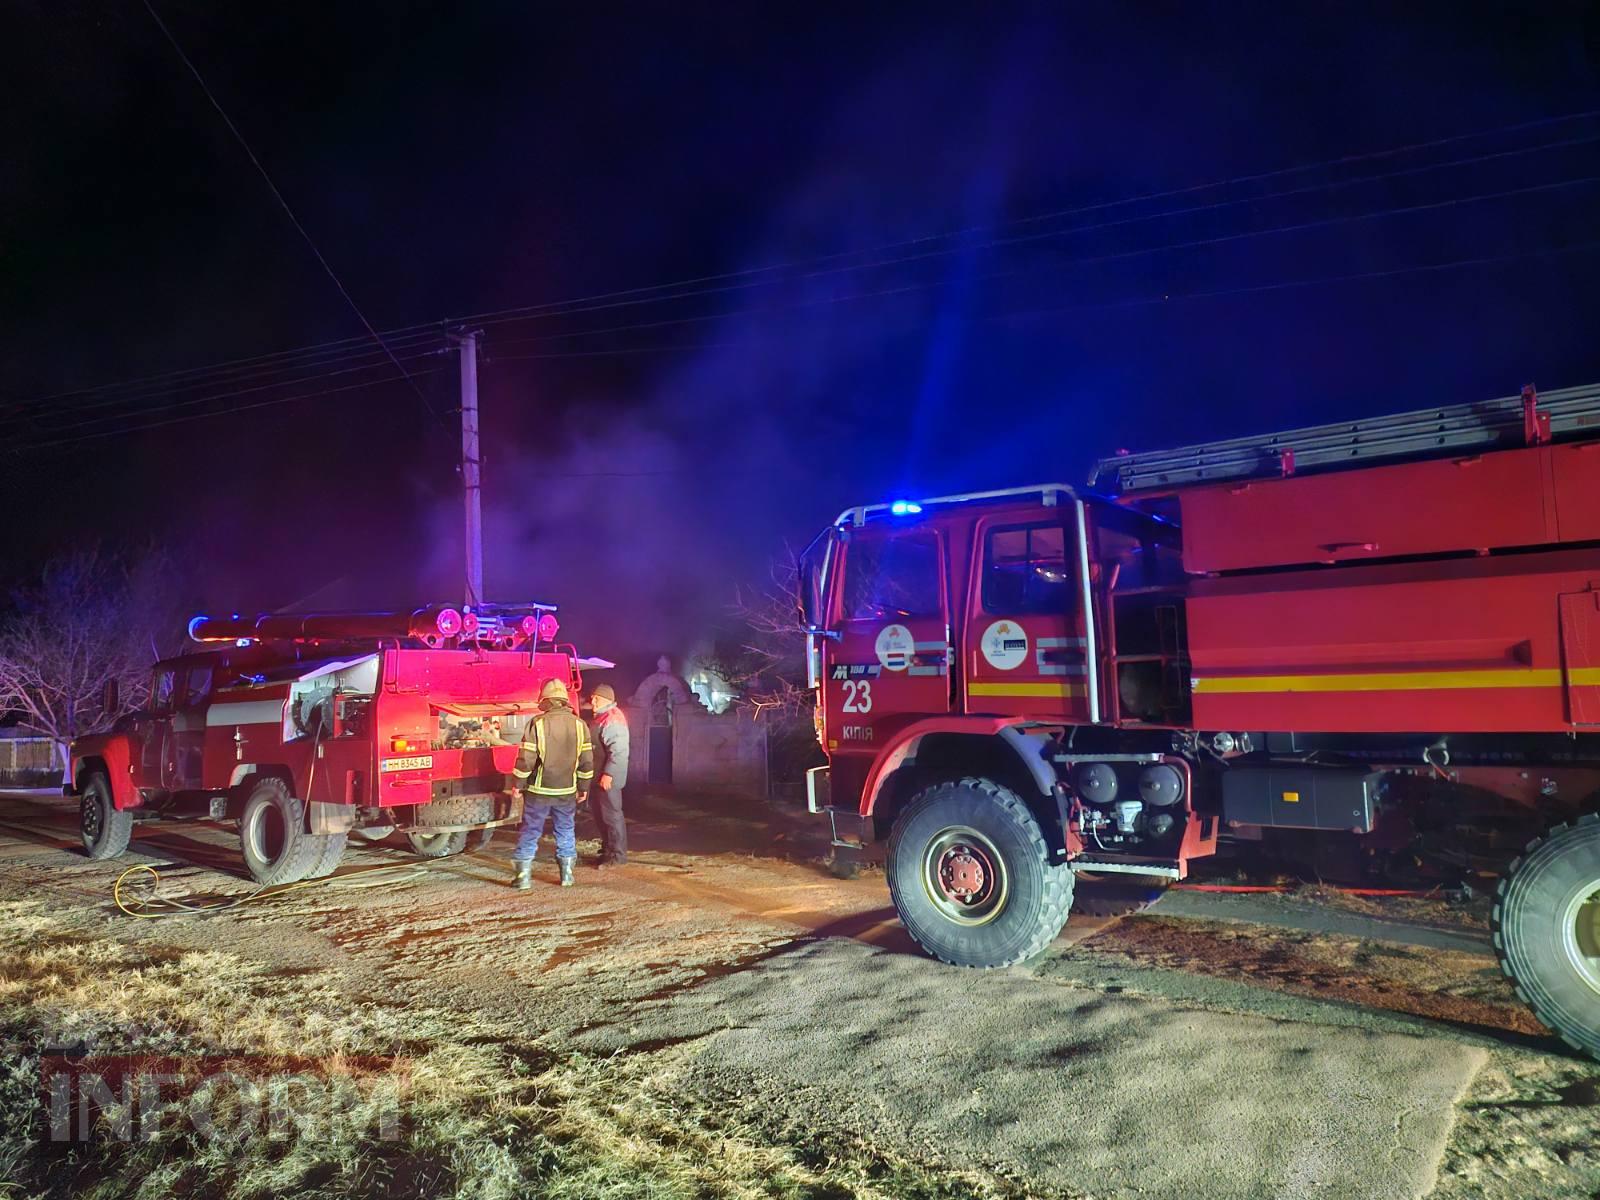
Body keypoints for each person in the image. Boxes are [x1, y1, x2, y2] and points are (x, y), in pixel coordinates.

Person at [508, 678, 593, 888]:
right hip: (567, 791)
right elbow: (587, 761)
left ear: (545, 700)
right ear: (565, 700)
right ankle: (567, 874)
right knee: (565, 829)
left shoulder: (537, 723)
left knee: (531, 830)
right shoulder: (581, 725)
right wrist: (584, 788)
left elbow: (526, 759)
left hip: (538, 791)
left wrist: (518, 784)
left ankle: (523, 878)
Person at [586, 683, 631, 867]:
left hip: (607, 779)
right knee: (602, 816)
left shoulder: (612, 719)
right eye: (592, 697)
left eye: (596, 698)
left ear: (606, 700)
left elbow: (618, 751)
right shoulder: (602, 717)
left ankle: (617, 856)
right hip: (599, 777)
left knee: (612, 817)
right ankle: (608, 851)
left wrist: (609, 774)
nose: (592, 701)